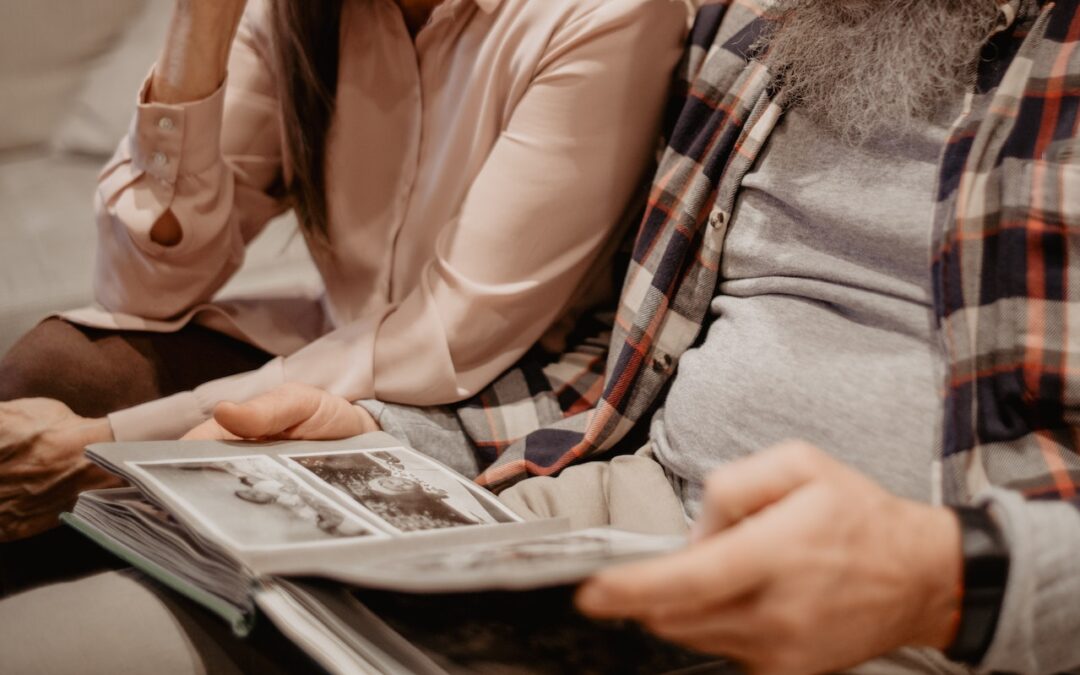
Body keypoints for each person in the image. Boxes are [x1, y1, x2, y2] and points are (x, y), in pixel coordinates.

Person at [4, 0, 1079, 673]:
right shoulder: (765, 27)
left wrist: (945, 578)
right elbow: (614, 359)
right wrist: (375, 437)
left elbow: (461, 322)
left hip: (929, 614)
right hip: (610, 516)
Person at [0, 0, 688, 584]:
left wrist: (114, 447)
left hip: (510, 387)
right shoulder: (298, 11)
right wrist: (198, 27)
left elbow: (445, 335)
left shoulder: (607, 14)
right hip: (354, 342)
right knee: (56, 370)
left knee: (74, 427)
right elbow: (142, 285)